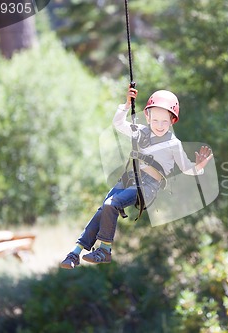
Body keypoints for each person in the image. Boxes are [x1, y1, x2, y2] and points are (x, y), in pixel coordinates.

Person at [60, 86, 213, 269]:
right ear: (147, 117)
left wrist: (199, 167)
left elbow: (187, 168)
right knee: (103, 210)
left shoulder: (173, 144)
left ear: (172, 121)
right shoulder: (140, 131)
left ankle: (105, 250)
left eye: (165, 121)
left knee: (111, 204)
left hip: (148, 185)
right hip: (128, 178)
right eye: (155, 120)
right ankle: (75, 252)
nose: (159, 125)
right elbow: (118, 124)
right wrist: (127, 104)